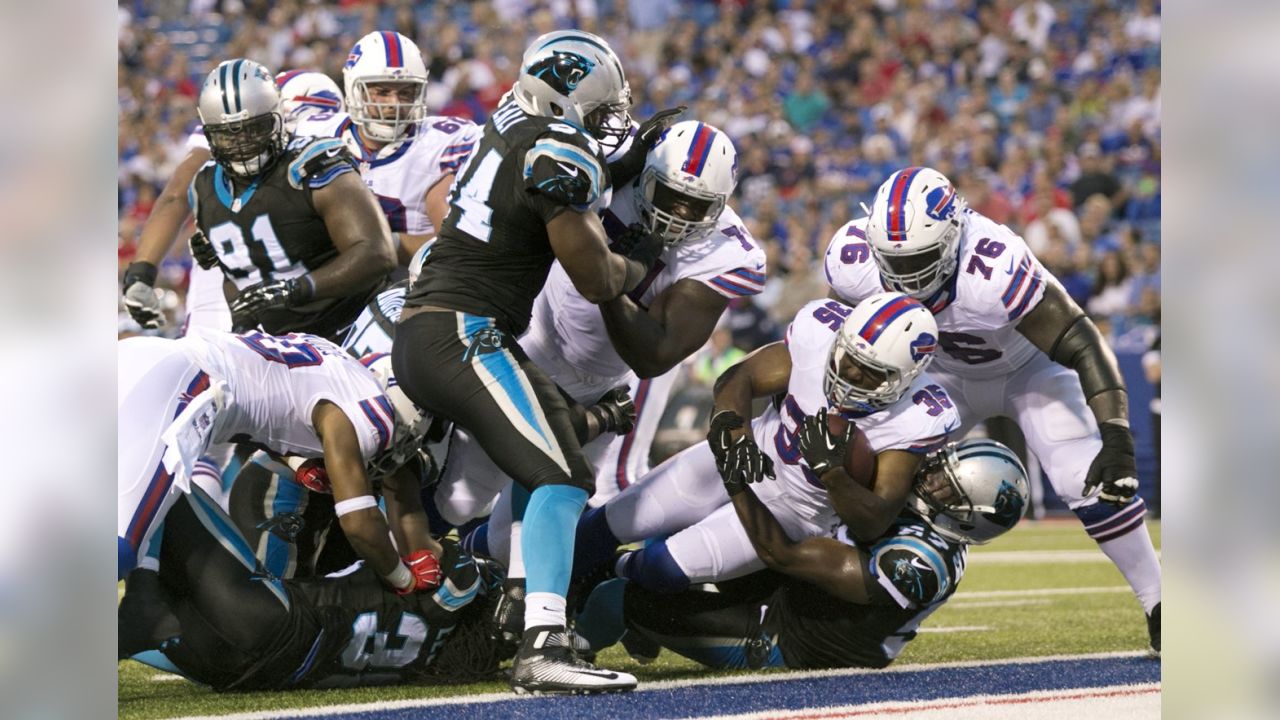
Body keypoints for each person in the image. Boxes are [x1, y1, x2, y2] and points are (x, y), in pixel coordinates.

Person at [391, 29, 682, 694]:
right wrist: (646, 252)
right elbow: (597, 279)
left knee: (539, 459)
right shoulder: (557, 146)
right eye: (603, 107)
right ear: (569, 100)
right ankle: (544, 642)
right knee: (563, 474)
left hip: (430, 327)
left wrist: (626, 156)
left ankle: (519, 605)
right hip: (463, 332)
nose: (612, 120)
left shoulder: (511, 122)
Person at [823, 166, 1161, 655]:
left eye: (919, 257)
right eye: (893, 260)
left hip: (1030, 368)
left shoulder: (994, 266)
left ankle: (1158, 600)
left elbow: (1082, 342)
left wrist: (1116, 434)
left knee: (1081, 475)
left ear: (955, 233)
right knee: (855, 459)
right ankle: (822, 587)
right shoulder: (851, 258)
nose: (905, 276)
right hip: (940, 374)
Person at [431, 120, 765, 528]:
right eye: (670, 196)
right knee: (461, 500)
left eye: (695, 206)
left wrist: (613, 280)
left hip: (601, 383)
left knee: (522, 532)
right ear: (647, 178)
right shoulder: (612, 168)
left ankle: (484, 568)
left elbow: (654, 355)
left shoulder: (726, 252)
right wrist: (618, 169)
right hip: (530, 337)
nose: (678, 215)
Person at [572, 292, 959, 596]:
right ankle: (540, 603)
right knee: (602, 526)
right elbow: (738, 379)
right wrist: (735, 438)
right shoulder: (819, 335)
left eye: (871, 373)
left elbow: (873, 522)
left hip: (793, 513)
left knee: (660, 568)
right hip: (746, 453)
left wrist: (834, 474)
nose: (851, 373)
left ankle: (612, 584)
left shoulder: (915, 418)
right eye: (850, 357)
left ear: (905, 378)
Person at [592, 439, 1029, 669]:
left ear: (970, 519)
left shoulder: (917, 562)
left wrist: (737, 479)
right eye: (940, 468)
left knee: (619, 599)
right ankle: (636, 614)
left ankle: (569, 643)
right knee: (674, 547)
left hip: (787, 640)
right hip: (791, 593)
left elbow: (782, 553)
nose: (930, 478)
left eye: (946, 488)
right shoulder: (919, 518)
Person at [117, 328, 438, 600]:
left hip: (148, 359)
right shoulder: (373, 412)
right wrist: (401, 577)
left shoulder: (339, 367)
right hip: (182, 384)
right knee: (121, 548)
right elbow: (359, 523)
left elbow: (261, 407)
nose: (397, 452)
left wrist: (295, 461)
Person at [118, 485, 506, 689]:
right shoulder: (432, 662)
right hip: (240, 674)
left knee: (162, 479)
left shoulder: (459, 585)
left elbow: (424, 541)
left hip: (269, 621)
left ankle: (141, 595)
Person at [121, 69, 347, 334]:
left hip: (246, 304)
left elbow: (177, 194)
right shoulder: (330, 154)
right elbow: (179, 192)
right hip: (282, 304)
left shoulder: (234, 134)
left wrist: (141, 271)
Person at [184, 59, 395, 339]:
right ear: (209, 136)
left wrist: (294, 290)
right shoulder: (204, 188)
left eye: (254, 128)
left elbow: (376, 254)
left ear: (278, 119)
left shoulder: (312, 167)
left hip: (356, 323)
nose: (242, 143)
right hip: (284, 342)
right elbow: (239, 279)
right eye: (227, 136)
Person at [296, 32, 481, 265]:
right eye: (382, 92)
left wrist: (378, 244)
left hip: (409, 280)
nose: (394, 103)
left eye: (405, 92)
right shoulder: (313, 134)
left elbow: (460, 247)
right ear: (355, 90)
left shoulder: (443, 143)